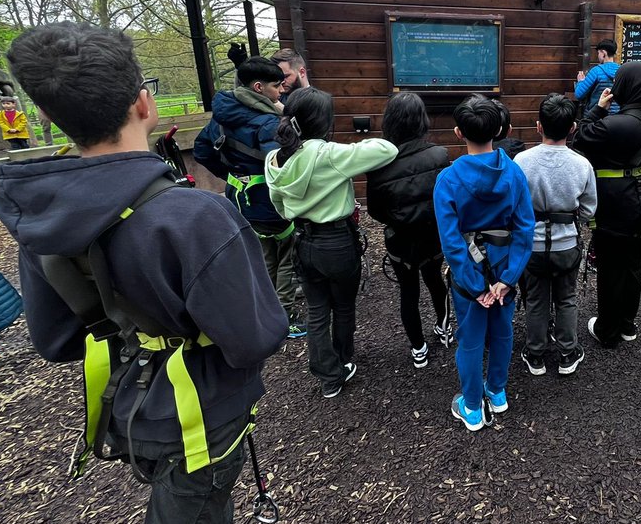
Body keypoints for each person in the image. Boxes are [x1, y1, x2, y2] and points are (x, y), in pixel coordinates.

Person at [0, 22, 284, 524]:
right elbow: (255, 337)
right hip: (200, 415)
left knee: (197, 521)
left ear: (50, 114)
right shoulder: (194, 215)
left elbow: (56, 340)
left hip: (129, 404)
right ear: (143, 102)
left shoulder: (48, 220)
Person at [264, 87, 397, 398]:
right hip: (336, 241)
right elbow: (386, 149)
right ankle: (343, 360)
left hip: (301, 239)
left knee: (316, 308)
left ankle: (327, 376)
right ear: (324, 121)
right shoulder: (328, 154)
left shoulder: (274, 159)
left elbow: (279, 206)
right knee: (344, 306)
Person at [434, 94, 535, 432]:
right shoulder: (515, 172)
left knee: (472, 338)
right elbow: (525, 228)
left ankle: (473, 407)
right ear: (502, 129)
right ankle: (498, 391)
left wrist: (475, 286)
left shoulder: (447, 180)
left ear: (458, 132)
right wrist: (508, 278)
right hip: (506, 263)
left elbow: (450, 241)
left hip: (470, 270)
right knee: (503, 332)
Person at [193, 57, 304, 335]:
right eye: (277, 86)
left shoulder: (221, 115)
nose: (281, 91)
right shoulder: (267, 124)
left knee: (260, 255)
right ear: (258, 87)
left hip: (238, 198)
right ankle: (285, 315)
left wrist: (231, 174)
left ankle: (263, 309)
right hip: (268, 200)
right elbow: (285, 166)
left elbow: (202, 151)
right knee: (287, 255)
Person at [573, 62, 641, 347]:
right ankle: (627, 324)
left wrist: (599, 108)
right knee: (633, 265)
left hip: (617, 205)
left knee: (611, 268)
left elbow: (580, 138)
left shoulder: (617, 124)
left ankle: (608, 330)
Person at [366, 91, 453, 367]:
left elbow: (375, 210)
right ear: (421, 120)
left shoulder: (379, 164)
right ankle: (443, 327)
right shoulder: (439, 155)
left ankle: (418, 348)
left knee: (408, 292)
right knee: (436, 281)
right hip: (433, 238)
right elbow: (445, 199)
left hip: (400, 243)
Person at [514, 94, 597, 376]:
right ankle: (567, 353)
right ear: (573, 127)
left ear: (539, 126)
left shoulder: (521, 161)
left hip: (532, 246)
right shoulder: (582, 164)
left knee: (536, 299)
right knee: (566, 298)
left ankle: (535, 355)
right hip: (567, 244)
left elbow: (513, 205)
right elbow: (588, 207)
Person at [574, 39, 621, 115]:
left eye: (598, 53)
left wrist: (581, 82)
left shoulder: (596, 71)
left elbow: (579, 94)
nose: (598, 56)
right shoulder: (622, 71)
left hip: (596, 117)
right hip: (616, 118)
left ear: (603, 53)